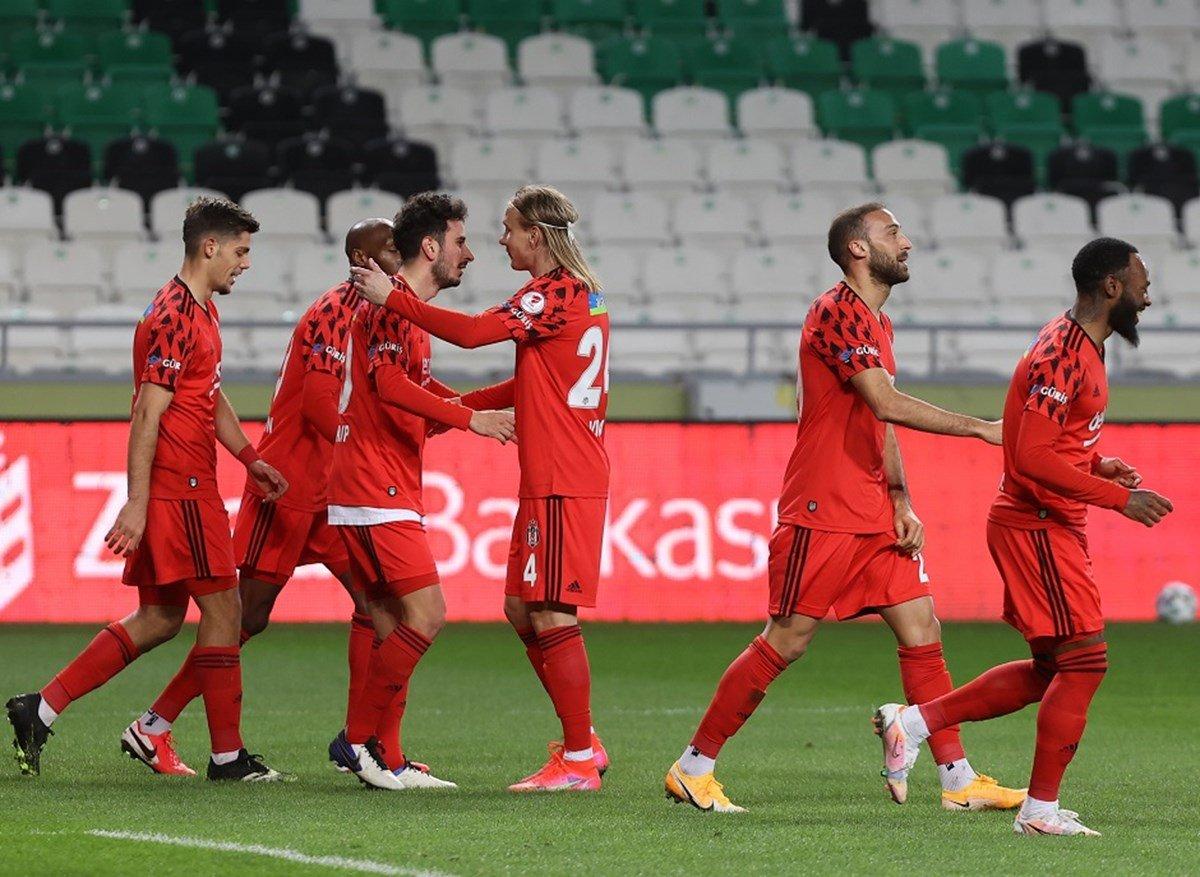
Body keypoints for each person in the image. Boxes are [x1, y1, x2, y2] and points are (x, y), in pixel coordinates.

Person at [659, 202, 1025, 813]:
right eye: (892, 233)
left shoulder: (879, 322)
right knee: (788, 639)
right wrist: (981, 429)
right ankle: (693, 766)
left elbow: (874, 422)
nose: (906, 242)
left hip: (873, 511)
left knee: (922, 628)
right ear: (858, 248)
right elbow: (884, 402)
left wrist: (900, 497)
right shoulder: (834, 312)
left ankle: (958, 781)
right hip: (822, 506)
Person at [873, 238, 1173, 837]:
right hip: (1035, 525)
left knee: (1049, 669)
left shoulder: (1079, 345)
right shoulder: (1064, 353)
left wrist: (1096, 464)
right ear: (1112, 286)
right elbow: (1030, 456)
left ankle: (914, 724)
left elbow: (1049, 442)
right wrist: (1119, 498)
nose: (1149, 291)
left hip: (1046, 523)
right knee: (1085, 663)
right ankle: (1038, 812)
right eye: (1142, 280)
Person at [6, 197, 289, 781]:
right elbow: (145, 415)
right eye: (240, 251)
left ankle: (42, 707)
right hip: (180, 488)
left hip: (187, 483)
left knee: (160, 617)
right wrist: (136, 502)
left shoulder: (199, 311)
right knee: (225, 610)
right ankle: (227, 756)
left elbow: (206, 395)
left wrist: (249, 458)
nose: (246, 264)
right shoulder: (174, 314)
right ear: (208, 247)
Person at [351, 184, 611, 792]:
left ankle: (577, 758)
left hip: (564, 478)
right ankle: (583, 741)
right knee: (521, 607)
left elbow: (469, 335)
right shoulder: (572, 295)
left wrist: (396, 298)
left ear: (537, 237)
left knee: (548, 610)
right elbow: (532, 386)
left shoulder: (553, 293)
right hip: (550, 476)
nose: (501, 239)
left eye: (510, 228)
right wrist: (460, 411)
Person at [120, 220, 399, 777]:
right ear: (362, 257)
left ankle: (357, 739)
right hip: (290, 484)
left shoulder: (381, 312)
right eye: (392, 247)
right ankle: (154, 724)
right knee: (243, 617)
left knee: (376, 603)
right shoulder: (331, 313)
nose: (402, 254)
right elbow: (321, 408)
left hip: (334, 489)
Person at [327, 192, 517, 790]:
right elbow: (388, 384)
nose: (471, 254)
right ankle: (357, 741)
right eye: (461, 242)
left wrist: (503, 394)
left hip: (377, 480)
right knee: (427, 614)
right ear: (431, 247)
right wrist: (473, 421)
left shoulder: (406, 311)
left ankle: (388, 755)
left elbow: (423, 389)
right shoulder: (391, 306)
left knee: (390, 625)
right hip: (371, 483)